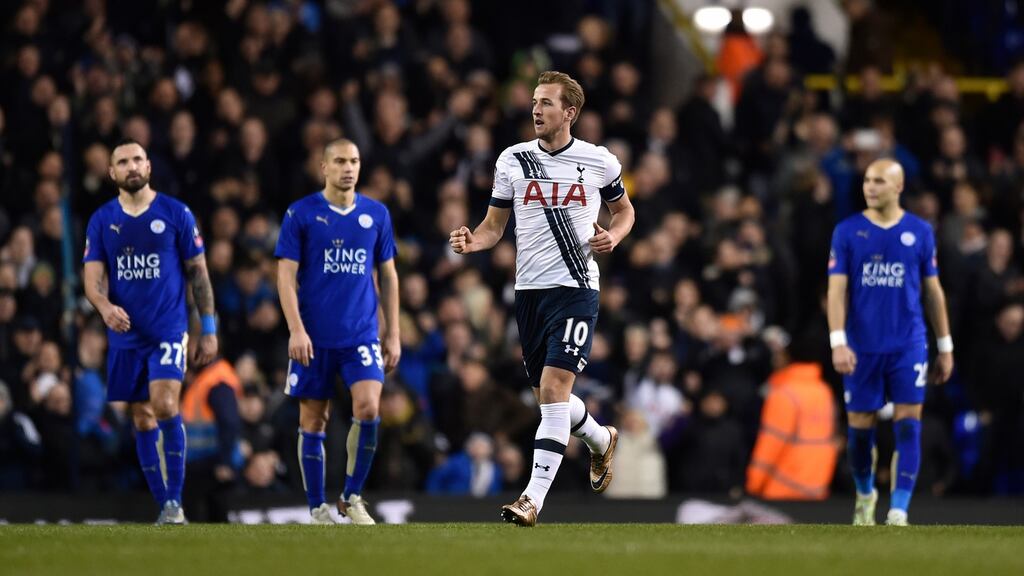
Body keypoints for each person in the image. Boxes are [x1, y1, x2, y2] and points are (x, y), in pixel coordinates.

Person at [450, 71, 635, 526]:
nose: (536, 109)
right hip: (529, 293)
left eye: (547, 103)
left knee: (554, 391)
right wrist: (474, 241)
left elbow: (625, 211)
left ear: (570, 112)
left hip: (576, 289)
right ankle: (599, 438)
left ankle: (532, 500)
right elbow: (494, 226)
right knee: (550, 401)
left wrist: (614, 235)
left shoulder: (598, 161)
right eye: (535, 101)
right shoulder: (513, 159)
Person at [82, 138, 219, 524]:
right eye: (123, 162)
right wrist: (105, 307)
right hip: (126, 335)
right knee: (141, 418)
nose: (132, 166)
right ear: (112, 173)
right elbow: (92, 279)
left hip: (169, 330)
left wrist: (207, 329)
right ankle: (165, 506)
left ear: (149, 166)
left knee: (164, 405)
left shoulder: (176, 213)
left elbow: (199, 273)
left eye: (138, 159)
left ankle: (175, 503)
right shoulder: (102, 220)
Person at [275, 138, 400, 525]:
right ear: (323, 167)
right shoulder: (301, 214)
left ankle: (352, 495)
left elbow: (389, 276)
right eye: (341, 161)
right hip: (313, 336)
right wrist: (296, 330)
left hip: (360, 333)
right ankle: (317, 507)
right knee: (314, 420)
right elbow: (284, 277)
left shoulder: (376, 214)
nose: (349, 168)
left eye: (355, 161)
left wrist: (393, 333)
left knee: (369, 407)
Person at [827, 158, 954, 526]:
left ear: (898, 187)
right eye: (867, 180)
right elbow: (836, 292)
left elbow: (933, 292)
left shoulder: (920, 231)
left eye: (879, 181)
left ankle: (899, 510)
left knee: (909, 424)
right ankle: (866, 494)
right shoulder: (847, 231)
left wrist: (945, 346)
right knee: (859, 434)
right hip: (862, 346)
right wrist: (838, 341)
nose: (870, 187)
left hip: (907, 345)